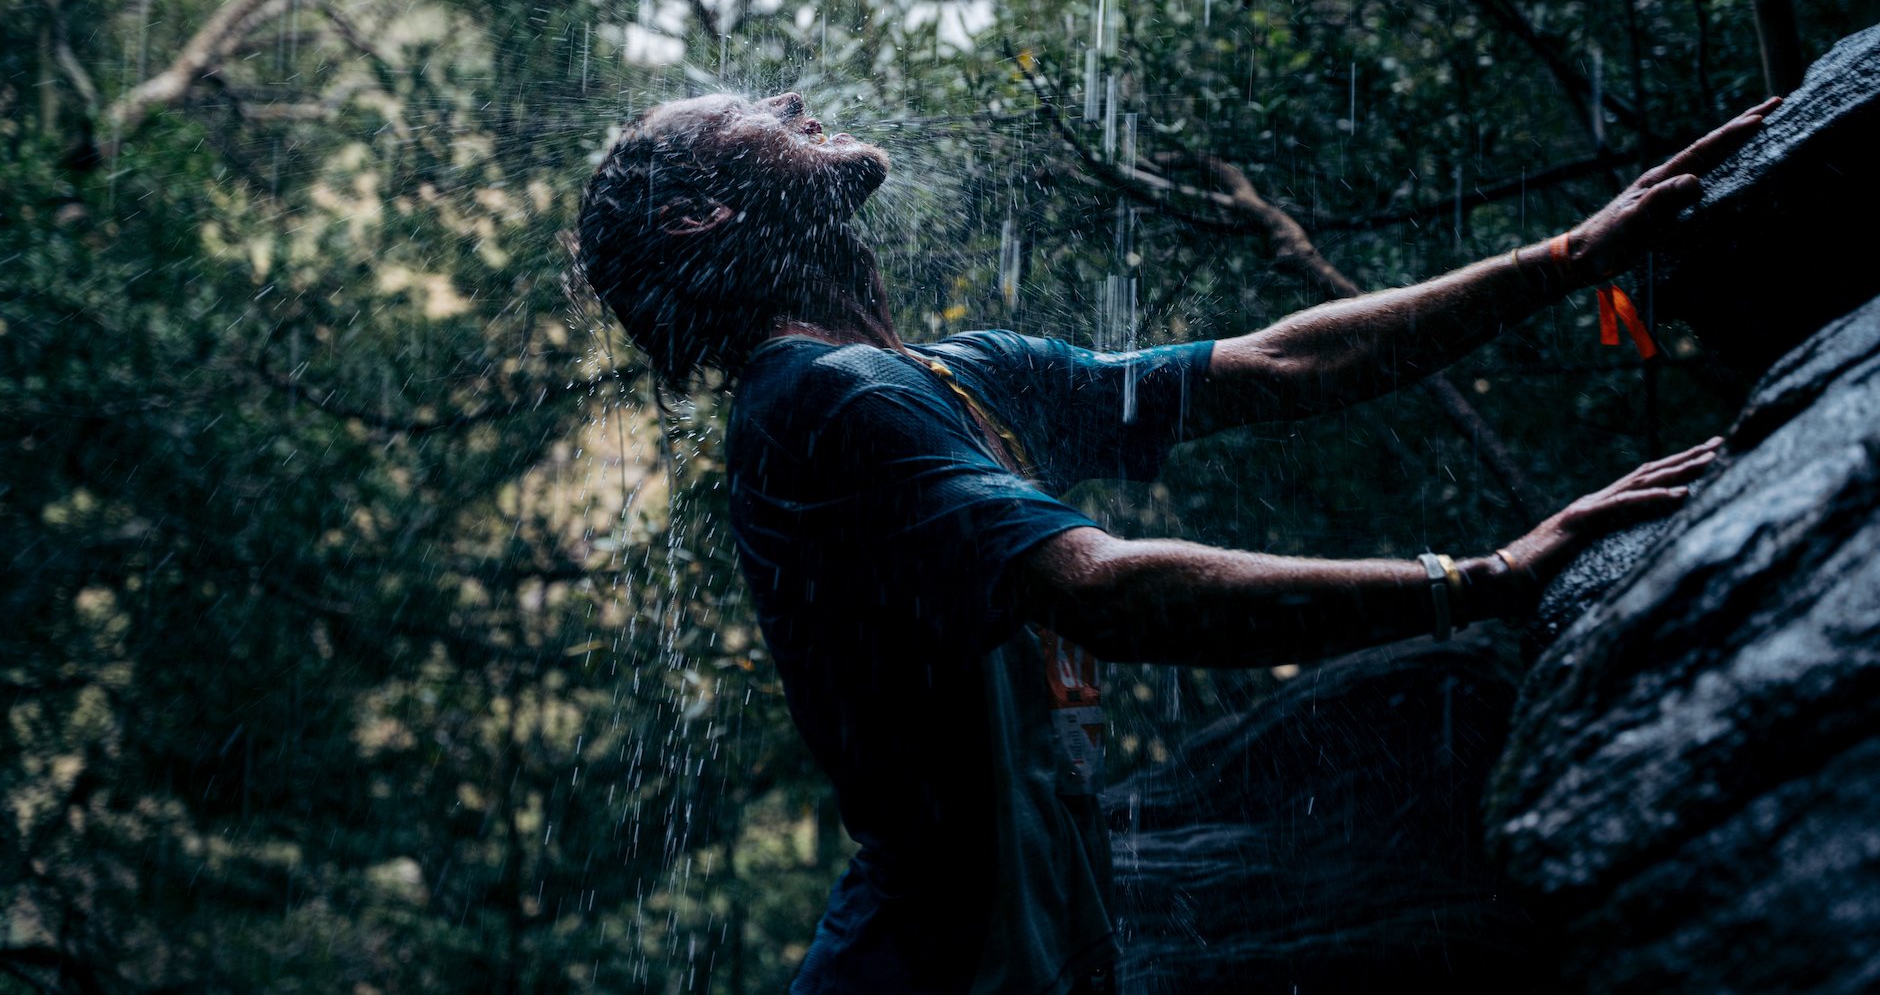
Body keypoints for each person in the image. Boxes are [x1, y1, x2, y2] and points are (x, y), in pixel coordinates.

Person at [574, 89, 1772, 995]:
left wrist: (1571, 254)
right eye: (745, 114)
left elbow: (1277, 364)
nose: (784, 98)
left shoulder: (947, 374)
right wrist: (1481, 579)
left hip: (1029, 946)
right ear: (702, 211)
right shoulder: (818, 399)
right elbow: (1106, 590)